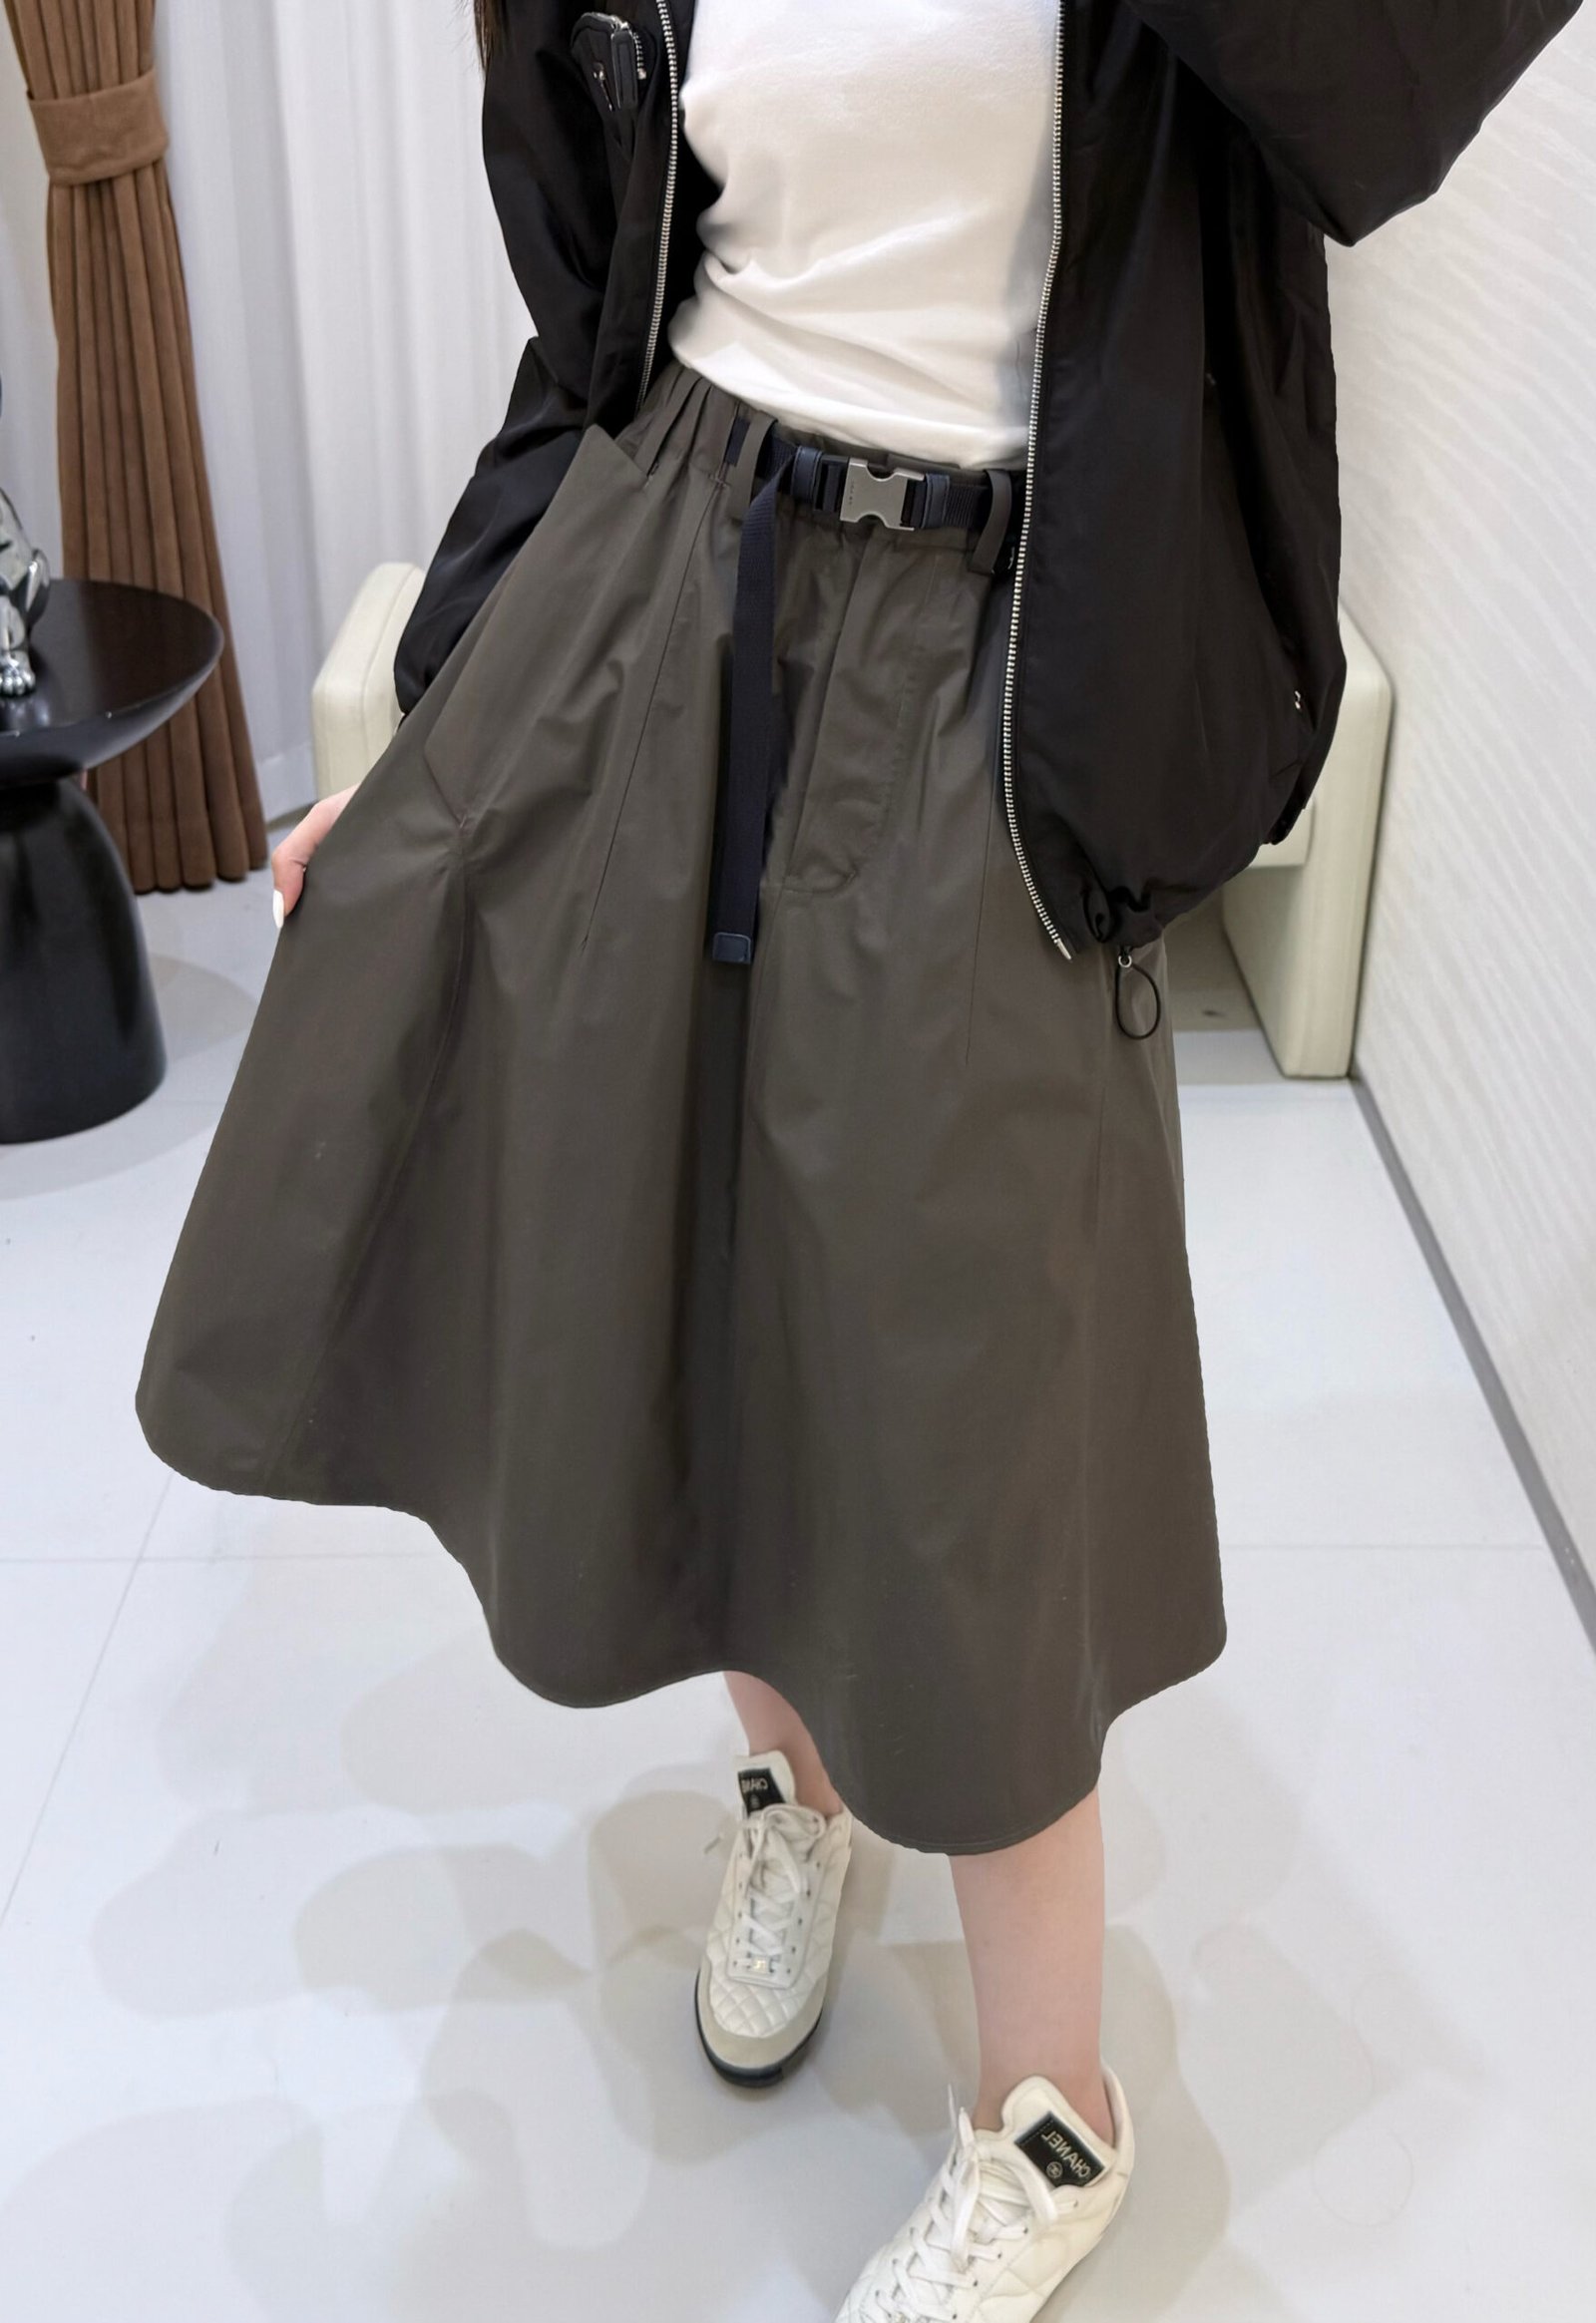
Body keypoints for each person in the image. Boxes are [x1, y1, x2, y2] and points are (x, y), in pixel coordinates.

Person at [137, 1, 1583, 2313]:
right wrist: (433, 733)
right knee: (695, 1299)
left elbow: (1383, 110)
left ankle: (1050, 2113)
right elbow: (604, 314)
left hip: (996, 662)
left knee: (965, 1429)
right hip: (665, 581)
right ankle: (794, 1799)